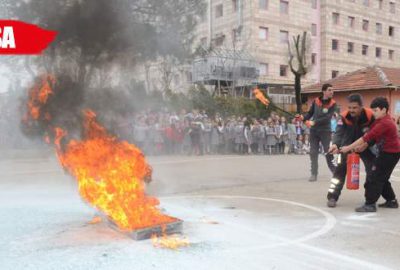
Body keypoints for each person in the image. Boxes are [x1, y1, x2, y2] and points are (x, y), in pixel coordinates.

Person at [341, 97, 400, 212]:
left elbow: (365, 137)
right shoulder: (379, 120)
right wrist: (364, 146)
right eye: (372, 110)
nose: (373, 113)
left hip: (390, 154)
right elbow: (371, 137)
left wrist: (348, 147)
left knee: (374, 177)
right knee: (382, 177)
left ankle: (370, 204)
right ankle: (391, 201)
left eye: (376, 110)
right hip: (388, 152)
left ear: (384, 110)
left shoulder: (386, 122)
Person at [326, 94, 376, 208]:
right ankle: (332, 196)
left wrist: (367, 144)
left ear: (361, 107)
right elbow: (339, 132)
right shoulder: (343, 116)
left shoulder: (370, 116)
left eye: (355, 108)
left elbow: (375, 133)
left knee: (372, 172)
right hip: (347, 146)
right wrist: (335, 144)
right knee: (339, 172)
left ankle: (369, 200)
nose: (351, 110)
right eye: (350, 107)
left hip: (366, 146)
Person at [301, 83, 337, 181]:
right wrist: (303, 117)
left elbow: (327, 117)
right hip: (314, 131)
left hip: (325, 130)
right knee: (313, 152)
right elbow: (310, 113)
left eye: (332, 90)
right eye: (329, 90)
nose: (331, 92)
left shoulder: (333, 103)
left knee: (328, 152)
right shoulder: (316, 101)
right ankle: (314, 174)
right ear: (324, 91)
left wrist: (313, 122)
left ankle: (335, 172)